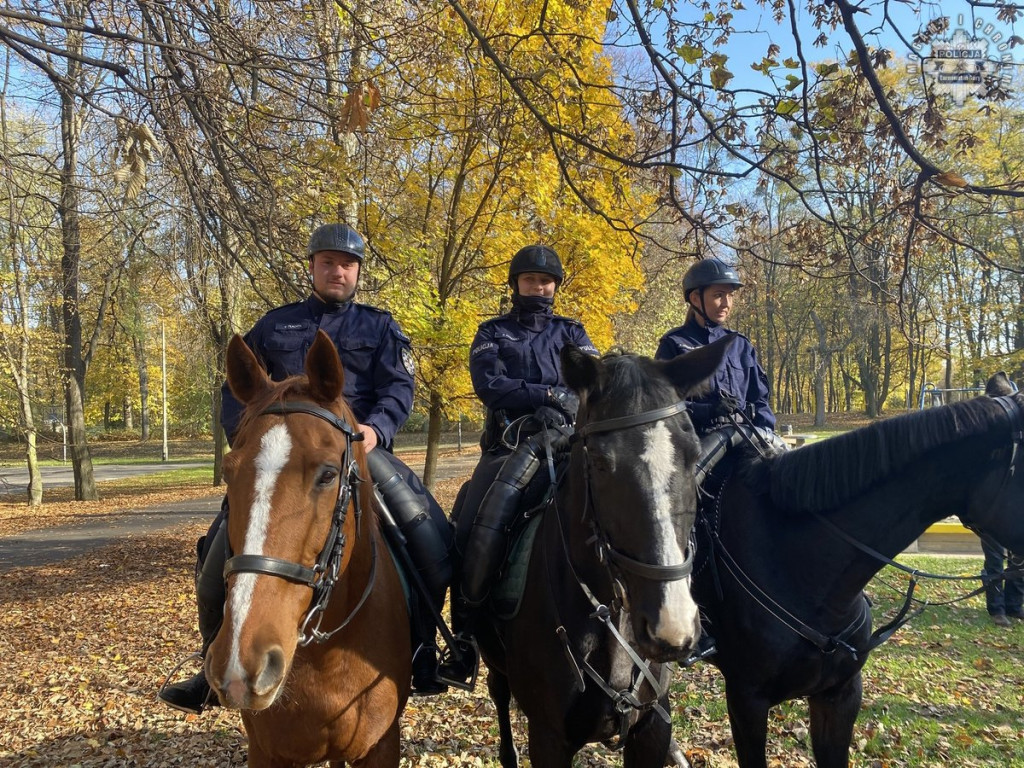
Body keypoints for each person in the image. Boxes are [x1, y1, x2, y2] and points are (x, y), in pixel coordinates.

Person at [159, 222, 458, 713]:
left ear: (357, 271)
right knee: (216, 561)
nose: (336, 271)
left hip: (358, 447)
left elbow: (398, 390)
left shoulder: (381, 327)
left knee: (431, 539)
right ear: (313, 268)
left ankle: (422, 652)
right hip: (284, 463)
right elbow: (237, 393)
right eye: (327, 262)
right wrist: (250, 440)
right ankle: (215, 659)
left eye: (346, 264)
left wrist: (375, 429)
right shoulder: (274, 326)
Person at [439, 244, 597, 683]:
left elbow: (593, 380)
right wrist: (546, 395)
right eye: (530, 280)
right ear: (515, 285)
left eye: (545, 281)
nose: (538, 286)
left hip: (568, 440)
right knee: (469, 524)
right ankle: (466, 636)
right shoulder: (492, 332)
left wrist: (566, 404)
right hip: (510, 446)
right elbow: (489, 384)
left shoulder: (574, 332)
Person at [655, 257, 785, 451]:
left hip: (744, 443)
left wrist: (766, 438)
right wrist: (707, 411)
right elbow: (662, 403)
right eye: (718, 295)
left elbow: (760, 400)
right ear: (696, 299)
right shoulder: (674, 344)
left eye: (730, 295)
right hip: (695, 447)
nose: (726, 303)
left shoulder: (741, 345)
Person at [981, 533, 1024, 627]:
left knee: (1019, 559)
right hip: (990, 521)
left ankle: (1013, 606)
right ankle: (997, 610)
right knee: (994, 561)